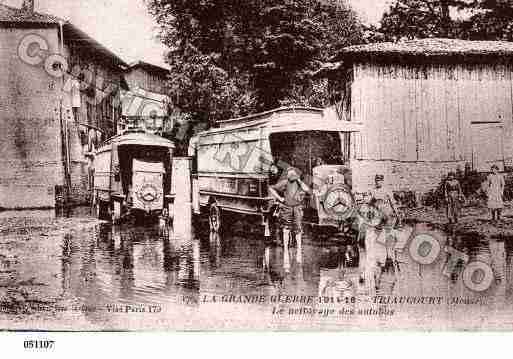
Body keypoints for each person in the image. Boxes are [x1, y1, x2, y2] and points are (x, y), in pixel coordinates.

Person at [268, 167, 311, 255]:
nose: (291, 176)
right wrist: (280, 198)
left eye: (293, 174)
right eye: (289, 174)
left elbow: (307, 190)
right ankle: (286, 249)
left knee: (298, 229)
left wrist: (299, 180)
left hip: (297, 208)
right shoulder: (284, 182)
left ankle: (299, 249)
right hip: (286, 208)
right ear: (287, 175)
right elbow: (271, 188)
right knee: (286, 228)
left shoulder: (299, 183)